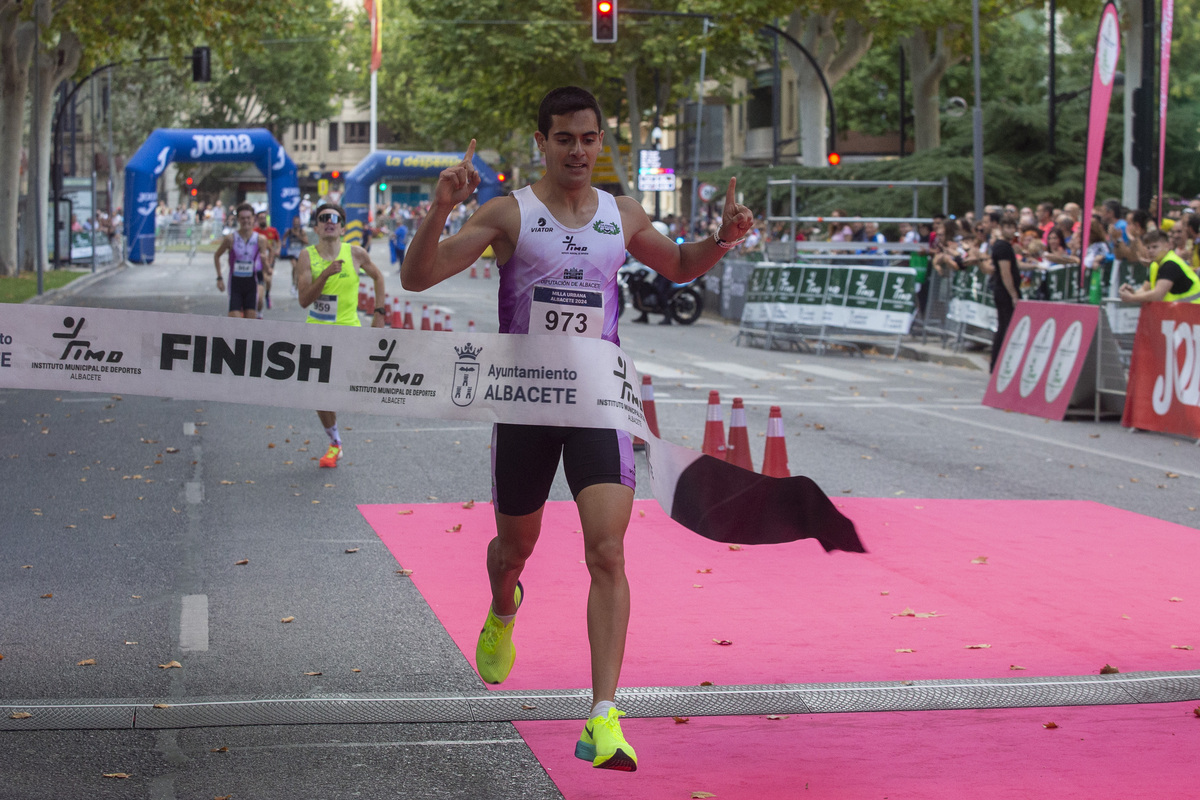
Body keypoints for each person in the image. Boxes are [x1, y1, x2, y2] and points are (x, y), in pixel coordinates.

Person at [401, 86, 753, 772]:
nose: (579, 151)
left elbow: (679, 266)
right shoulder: (508, 214)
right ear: (542, 142)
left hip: (598, 401)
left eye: (589, 139)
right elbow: (418, 278)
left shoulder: (622, 215)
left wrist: (720, 240)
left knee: (607, 553)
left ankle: (603, 715)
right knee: (514, 549)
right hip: (527, 406)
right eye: (565, 139)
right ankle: (504, 605)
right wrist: (443, 207)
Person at [294, 202, 388, 467]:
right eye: (323, 218)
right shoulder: (306, 255)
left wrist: (379, 313)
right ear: (316, 226)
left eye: (335, 218)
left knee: (339, 390)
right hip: (317, 333)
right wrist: (324, 274)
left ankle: (334, 432)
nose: (329, 221)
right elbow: (303, 300)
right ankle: (334, 441)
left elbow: (379, 277)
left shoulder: (355, 254)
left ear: (343, 227)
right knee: (319, 393)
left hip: (349, 333)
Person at [213, 203, 268, 320]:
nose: (246, 221)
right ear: (238, 219)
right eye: (242, 218)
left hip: (251, 283)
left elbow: (267, 269)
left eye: (248, 218)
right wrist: (219, 278)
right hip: (235, 284)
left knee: (249, 325)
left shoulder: (260, 239)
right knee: (235, 321)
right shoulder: (230, 238)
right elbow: (217, 255)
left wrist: (265, 262)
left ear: (254, 218)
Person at [1119, 229, 1200, 304]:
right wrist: (1133, 292)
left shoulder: (1170, 264)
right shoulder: (1155, 265)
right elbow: (1145, 289)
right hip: (1180, 313)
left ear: (1167, 246)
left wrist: (1132, 298)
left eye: (1155, 247)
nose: (1150, 251)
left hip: (1194, 312)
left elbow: (1158, 295)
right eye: (1148, 247)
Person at [984, 215, 1020, 372]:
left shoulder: (1005, 246)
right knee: (1004, 327)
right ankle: (997, 362)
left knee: (1004, 326)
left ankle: (998, 362)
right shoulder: (1002, 247)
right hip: (1004, 292)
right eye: (1007, 227)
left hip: (1002, 291)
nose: (1010, 230)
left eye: (1013, 227)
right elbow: (1006, 273)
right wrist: (1013, 294)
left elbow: (1013, 267)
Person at [254, 210, 280, 313]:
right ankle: (258, 299)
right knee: (261, 280)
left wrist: (277, 251)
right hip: (258, 261)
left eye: (264, 218)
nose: (262, 220)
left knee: (268, 280)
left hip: (270, 259)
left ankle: (267, 294)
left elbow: (276, 244)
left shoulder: (272, 231)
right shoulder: (255, 231)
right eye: (260, 218)